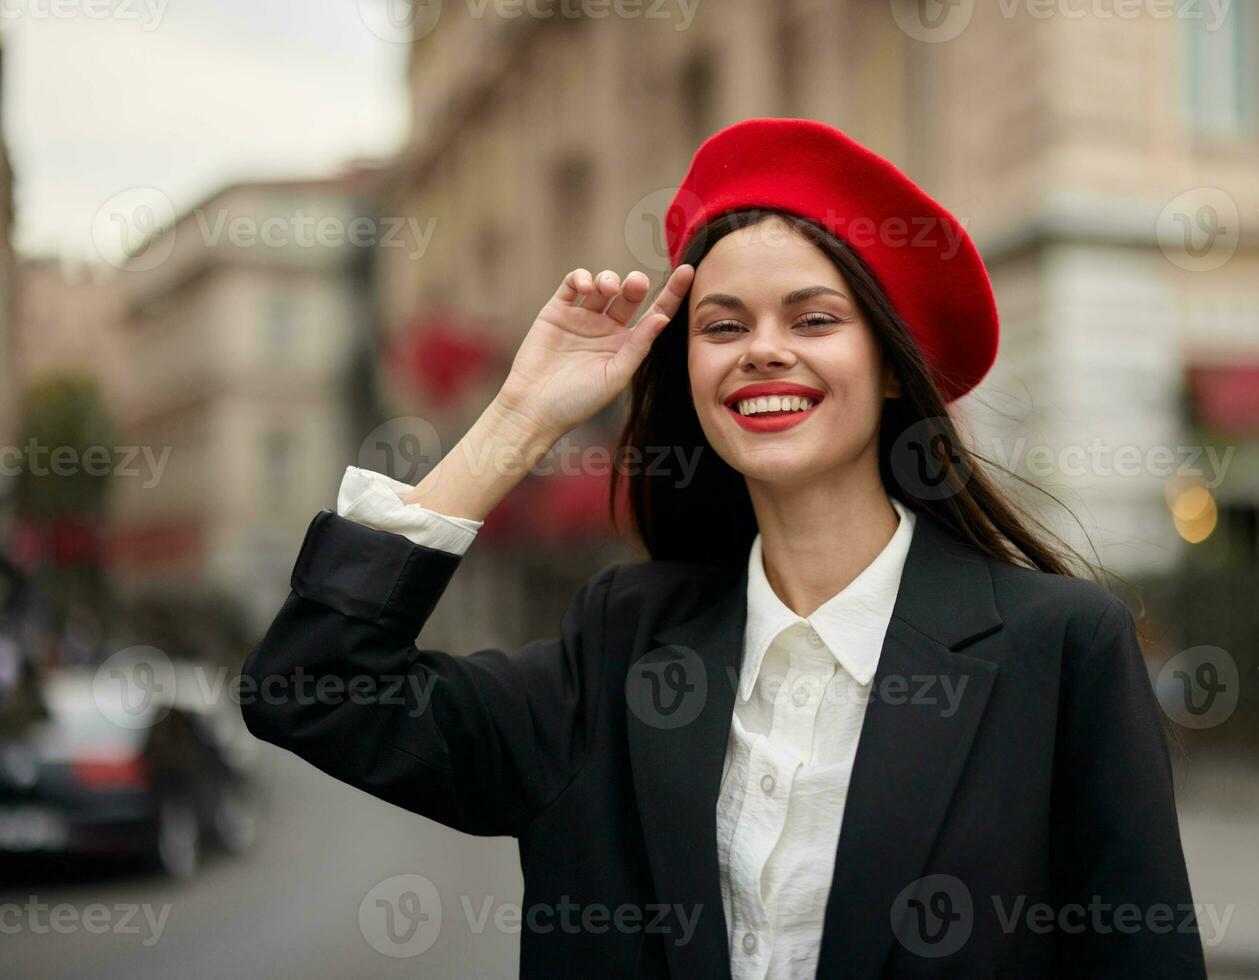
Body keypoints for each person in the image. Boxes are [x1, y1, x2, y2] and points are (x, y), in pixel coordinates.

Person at [242, 117, 1206, 979]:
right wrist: (519, 420)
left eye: (815, 319)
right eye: (724, 326)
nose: (762, 351)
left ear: (892, 373)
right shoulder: (619, 647)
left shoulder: (1061, 649)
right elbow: (312, 688)